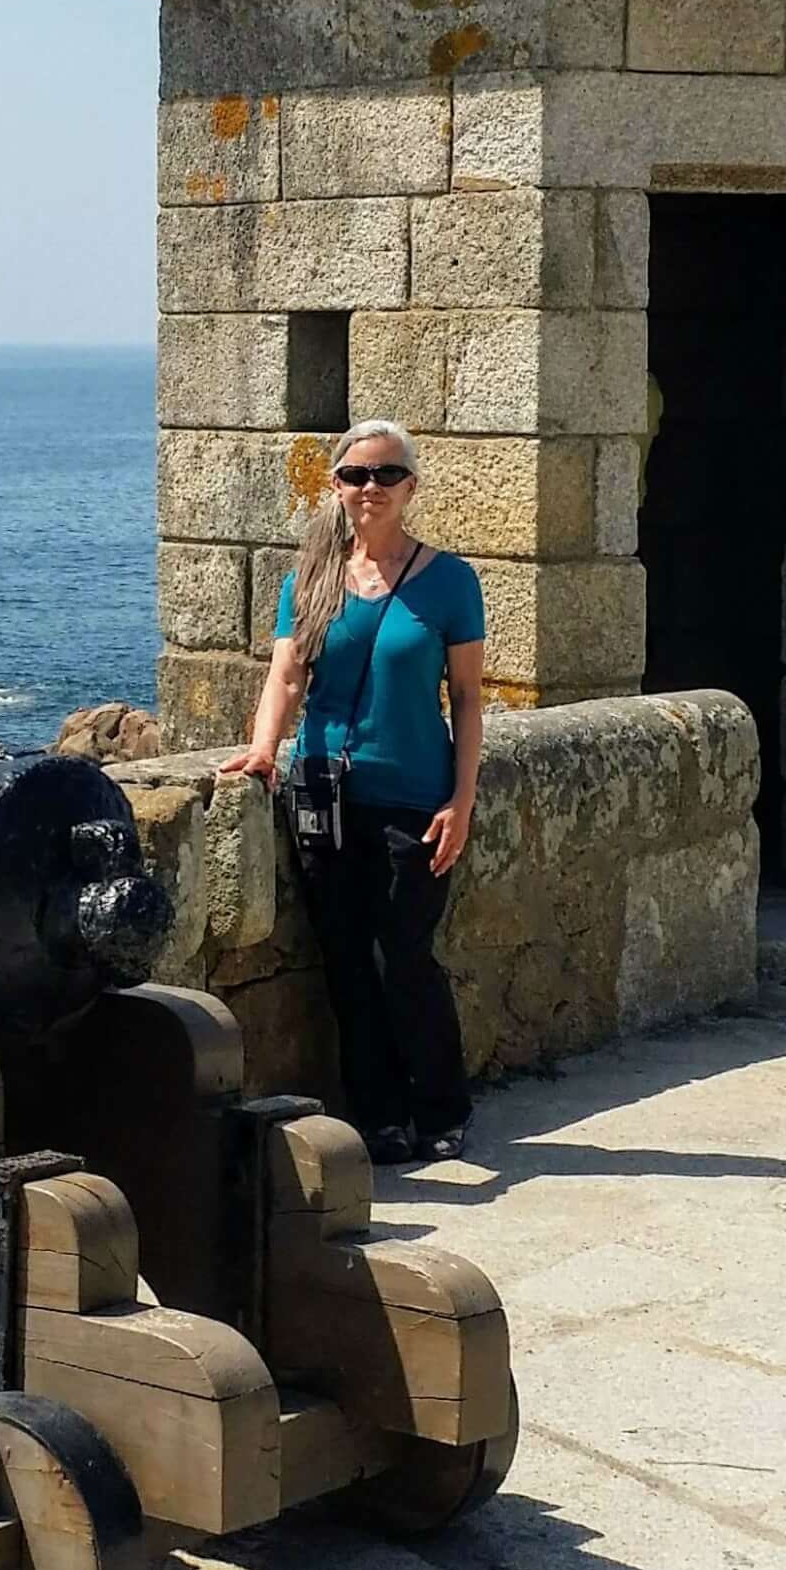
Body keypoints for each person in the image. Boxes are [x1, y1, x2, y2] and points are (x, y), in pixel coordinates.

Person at [217, 420, 488, 1165]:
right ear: (334, 486)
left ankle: (441, 1105)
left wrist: (461, 800)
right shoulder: (310, 579)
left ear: (411, 487)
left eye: (386, 475)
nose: (370, 488)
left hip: (413, 798)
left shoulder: (449, 581)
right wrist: (264, 747)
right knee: (343, 959)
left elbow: (465, 698)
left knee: (404, 955)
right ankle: (379, 1116)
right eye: (355, 476)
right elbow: (287, 675)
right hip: (324, 793)